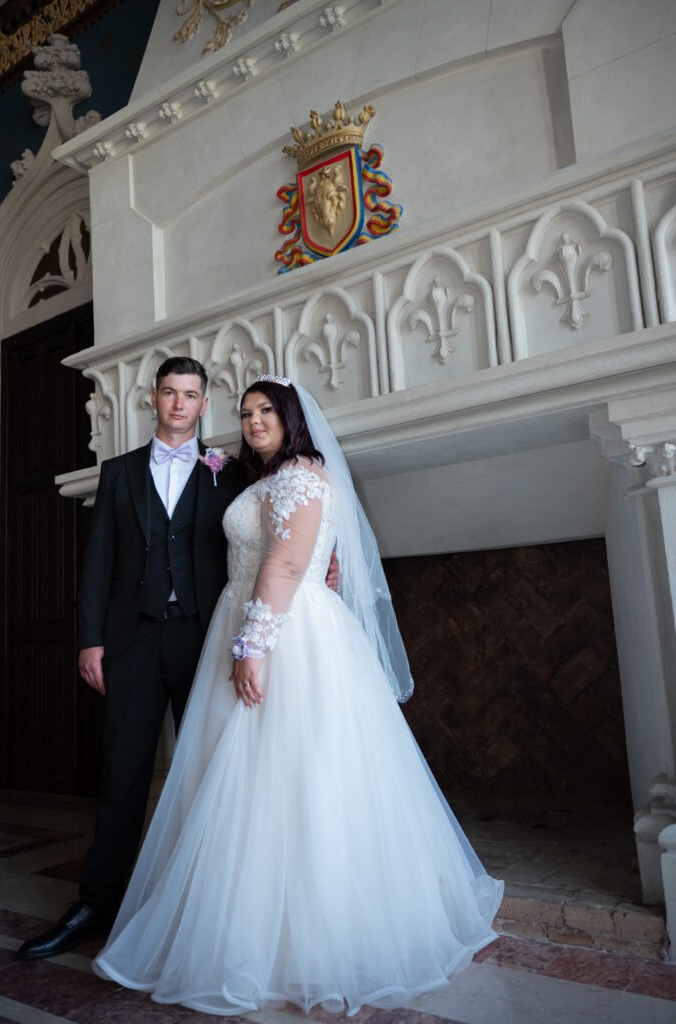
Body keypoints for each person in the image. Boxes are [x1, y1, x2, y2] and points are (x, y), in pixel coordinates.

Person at [93, 374, 504, 1016]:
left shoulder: (299, 477)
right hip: (252, 617)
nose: (254, 420)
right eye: (246, 412)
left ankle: (298, 941)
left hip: (283, 634)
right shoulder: (266, 477)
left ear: (292, 417)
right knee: (251, 777)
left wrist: (252, 646)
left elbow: (285, 564)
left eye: (267, 410)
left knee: (293, 772)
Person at [17, 357, 247, 960]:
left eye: (190, 394)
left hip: (203, 638)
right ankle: (97, 902)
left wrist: (325, 557)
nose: (179, 403)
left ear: (204, 404)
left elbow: (265, 534)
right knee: (122, 772)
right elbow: (97, 562)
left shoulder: (227, 471)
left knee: (209, 771)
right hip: (133, 640)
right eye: (169, 392)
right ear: (153, 399)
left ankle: (206, 904)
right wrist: (89, 639)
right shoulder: (118, 472)